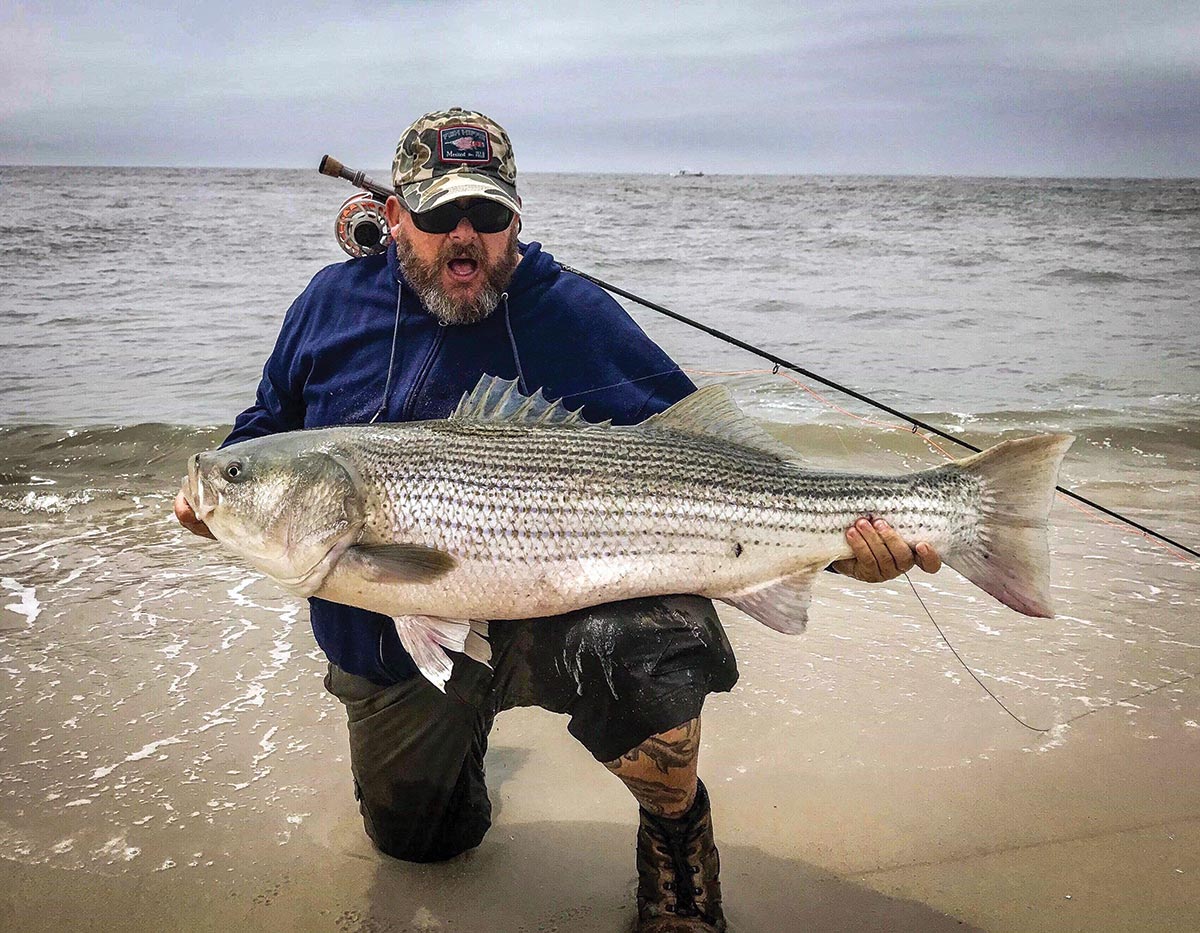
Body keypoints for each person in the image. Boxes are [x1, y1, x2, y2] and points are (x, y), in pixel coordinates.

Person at [174, 107, 941, 933]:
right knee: (423, 843)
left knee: (649, 644)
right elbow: (261, 433)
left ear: (515, 218)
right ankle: (459, 744)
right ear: (394, 216)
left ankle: (677, 844)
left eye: (488, 215)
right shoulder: (328, 306)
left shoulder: (566, 311)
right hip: (393, 644)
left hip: (559, 615)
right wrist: (218, 490)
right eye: (438, 217)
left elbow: (703, 452)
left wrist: (833, 545)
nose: (464, 238)